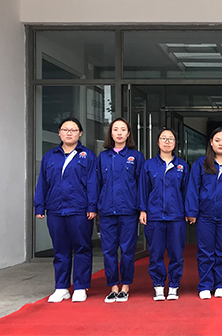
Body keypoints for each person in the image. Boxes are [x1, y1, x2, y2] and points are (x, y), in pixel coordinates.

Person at [34, 117, 98, 303]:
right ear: (59, 133)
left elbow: (93, 182)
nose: (69, 133)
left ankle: (80, 286)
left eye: (73, 130)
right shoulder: (50, 156)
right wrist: (39, 205)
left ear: (80, 133)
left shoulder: (87, 155)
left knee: (82, 248)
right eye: (65, 129)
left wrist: (92, 206)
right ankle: (61, 287)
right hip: (55, 209)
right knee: (60, 250)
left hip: (79, 210)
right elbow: (42, 183)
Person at [186, 127, 222, 300]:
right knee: (205, 252)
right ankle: (205, 285)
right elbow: (193, 188)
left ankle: (220, 284)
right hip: (205, 216)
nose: (221, 144)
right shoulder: (201, 163)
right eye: (217, 140)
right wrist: (192, 211)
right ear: (211, 143)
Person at [97, 117, 144, 303]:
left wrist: (142, 209)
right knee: (108, 251)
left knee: (127, 250)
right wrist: (95, 207)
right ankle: (113, 286)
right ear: (110, 133)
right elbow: (97, 184)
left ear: (128, 133)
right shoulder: (103, 157)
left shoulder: (136, 156)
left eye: (123, 129)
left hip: (128, 211)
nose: (119, 133)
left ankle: (125, 286)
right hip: (107, 211)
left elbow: (141, 185)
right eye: (115, 129)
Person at [139, 128, 189, 301]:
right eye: (164, 138)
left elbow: (186, 192)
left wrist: (187, 212)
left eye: (171, 139)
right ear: (158, 142)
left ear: (175, 143)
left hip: (176, 216)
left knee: (176, 253)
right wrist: (143, 210)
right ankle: (158, 285)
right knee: (156, 253)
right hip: (154, 216)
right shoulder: (149, 165)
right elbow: (143, 189)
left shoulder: (182, 166)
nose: (167, 142)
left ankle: (174, 285)